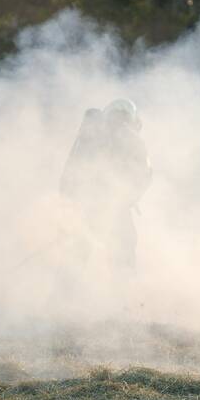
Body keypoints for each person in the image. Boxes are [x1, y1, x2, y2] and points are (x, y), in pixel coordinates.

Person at [59, 98, 151, 271]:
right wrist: (127, 199)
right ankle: (122, 287)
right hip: (116, 206)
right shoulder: (133, 139)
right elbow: (144, 176)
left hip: (85, 203)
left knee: (77, 251)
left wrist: (70, 201)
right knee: (124, 249)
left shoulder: (91, 136)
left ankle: (65, 284)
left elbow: (70, 173)